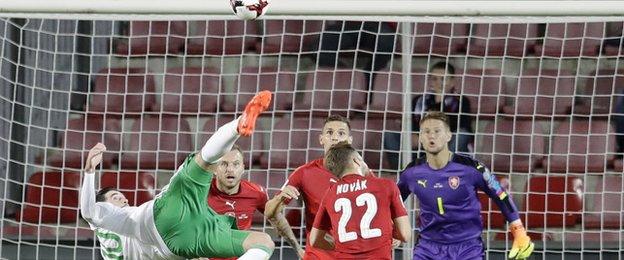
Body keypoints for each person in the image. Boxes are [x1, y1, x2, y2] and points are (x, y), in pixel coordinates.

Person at [80, 91, 275, 260]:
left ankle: (239, 125)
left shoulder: (114, 236)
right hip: (162, 216)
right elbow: (88, 212)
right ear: (103, 204)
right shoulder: (111, 220)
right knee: (203, 162)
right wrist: (89, 172)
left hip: (186, 241)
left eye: (120, 195)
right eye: (115, 196)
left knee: (264, 242)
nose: (123, 197)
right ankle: (237, 125)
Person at [397, 111, 533, 260]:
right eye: (426, 132)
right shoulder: (411, 173)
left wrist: (518, 231)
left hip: (467, 248)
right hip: (428, 248)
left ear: (449, 135)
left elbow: (500, 194)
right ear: (420, 138)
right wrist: (392, 228)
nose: (431, 136)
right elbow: (393, 201)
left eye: (437, 131)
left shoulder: (471, 168)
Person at [264, 115, 353, 260]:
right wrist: (280, 198)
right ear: (321, 139)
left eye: (341, 133)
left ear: (350, 140)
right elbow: (269, 212)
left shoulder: (364, 173)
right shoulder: (305, 172)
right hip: (319, 256)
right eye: (329, 133)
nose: (335, 138)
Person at [309, 141, 411, 260]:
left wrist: (339, 247)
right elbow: (405, 234)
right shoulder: (386, 185)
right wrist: (386, 236)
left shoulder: (330, 193)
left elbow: (314, 239)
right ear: (357, 161)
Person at [206, 144, 299, 260]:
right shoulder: (201, 192)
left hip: (240, 256)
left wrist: (298, 249)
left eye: (236, 164)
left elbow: (276, 218)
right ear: (214, 169)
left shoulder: (255, 192)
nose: (230, 169)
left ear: (243, 168)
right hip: (207, 255)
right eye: (224, 164)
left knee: (266, 241)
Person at [384, 61, 474, 169]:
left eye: (443, 79)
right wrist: (416, 136)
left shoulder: (462, 101)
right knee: (390, 135)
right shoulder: (418, 101)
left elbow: (464, 128)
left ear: (452, 82)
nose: (439, 83)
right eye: (434, 79)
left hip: (447, 146)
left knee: (461, 135)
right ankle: (402, 170)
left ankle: (446, 169)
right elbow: (412, 126)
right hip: (421, 147)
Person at [317, 21, 396, 87]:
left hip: (379, 23)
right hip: (344, 23)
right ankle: (349, 81)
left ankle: (369, 87)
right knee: (318, 48)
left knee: (387, 41)